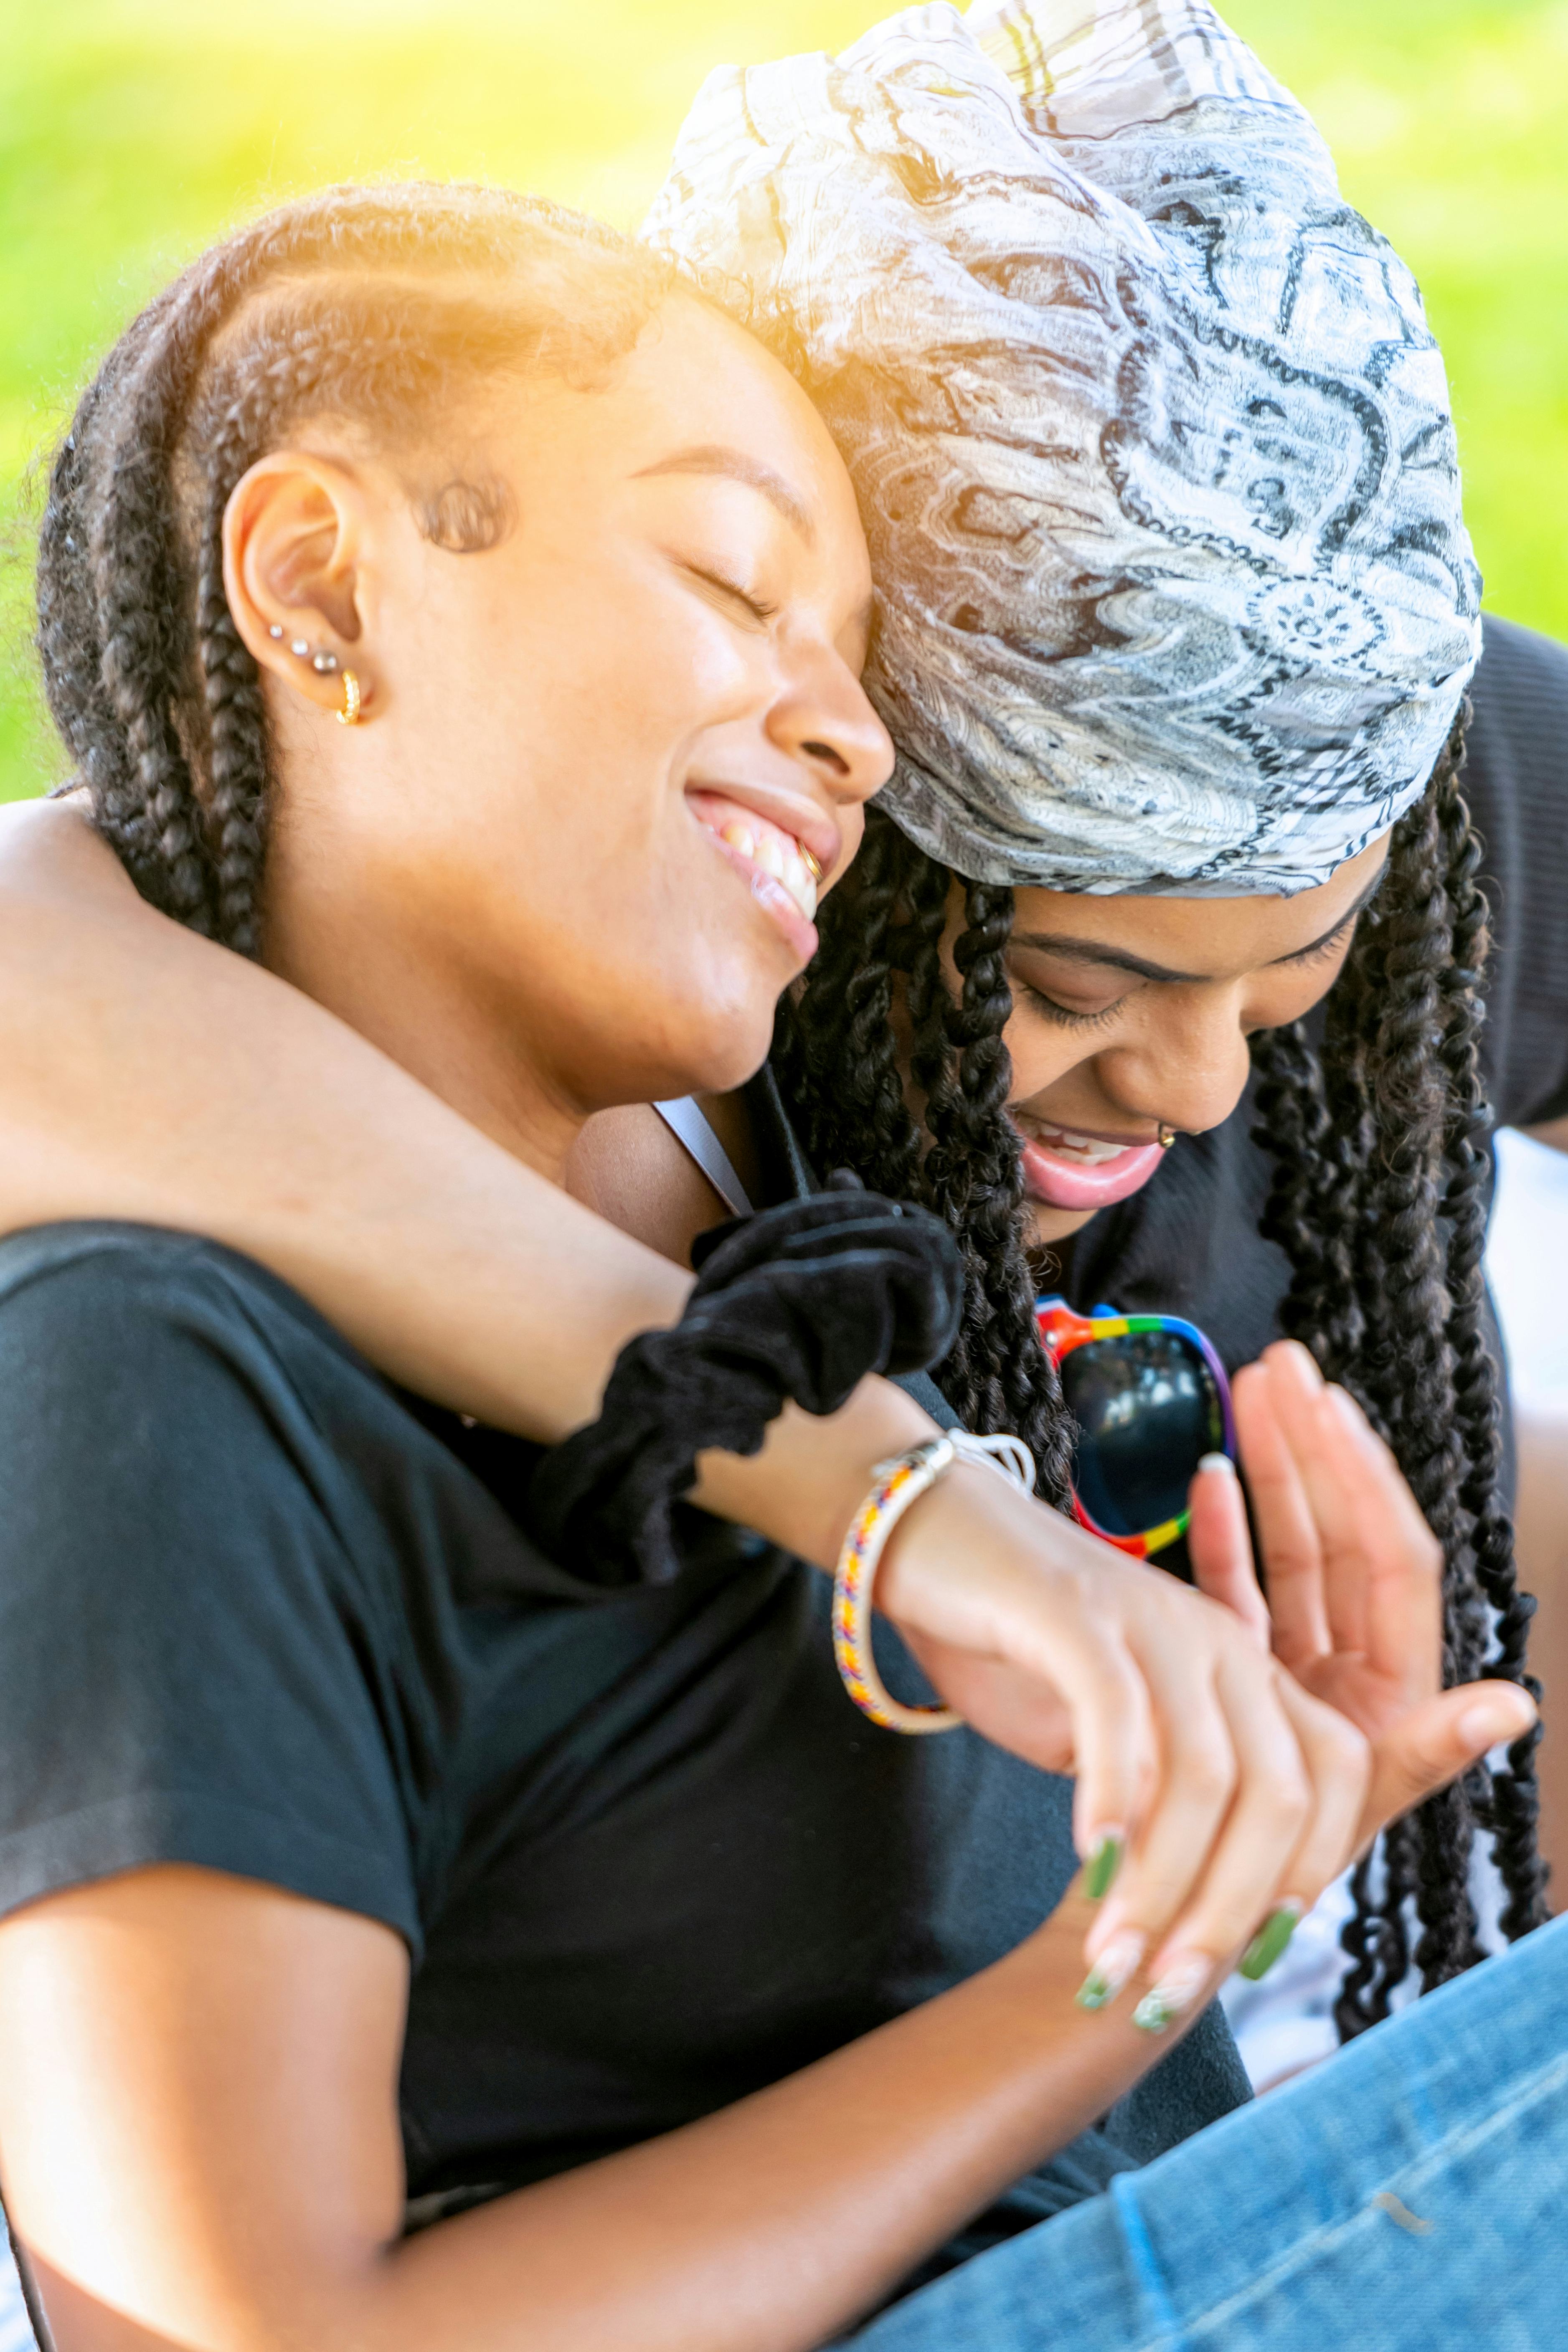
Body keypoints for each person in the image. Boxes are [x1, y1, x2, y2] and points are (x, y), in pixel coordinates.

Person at [0, 155, 1560, 2352]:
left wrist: (1180, 1899)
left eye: (860, 659)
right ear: (319, 581)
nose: (853, 732)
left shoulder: (787, 1182)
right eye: (736, 583)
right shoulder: (141, 1362)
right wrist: (1091, 1949)